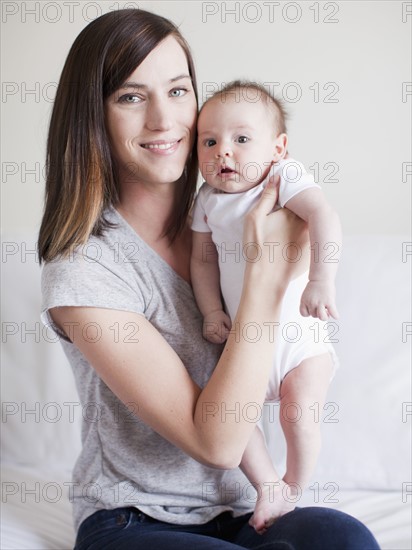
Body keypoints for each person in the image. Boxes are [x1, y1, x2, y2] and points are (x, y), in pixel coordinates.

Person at [38, 8, 379, 549]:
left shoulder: (235, 216)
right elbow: (216, 442)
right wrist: (265, 282)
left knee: (345, 537)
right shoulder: (85, 269)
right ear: (94, 117)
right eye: (130, 97)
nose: (163, 120)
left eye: (178, 91)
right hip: (135, 517)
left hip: (245, 508)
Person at [191, 81, 341, 533]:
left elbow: (324, 216)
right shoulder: (206, 200)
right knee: (234, 422)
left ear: (278, 148)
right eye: (209, 141)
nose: (223, 153)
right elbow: (202, 261)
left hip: (299, 342)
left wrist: (321, 280)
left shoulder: (284, 177)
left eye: (241, 139)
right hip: (245, 346)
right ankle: (268, 484)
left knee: (298, 412)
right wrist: (211, 310)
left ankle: (294, 484)